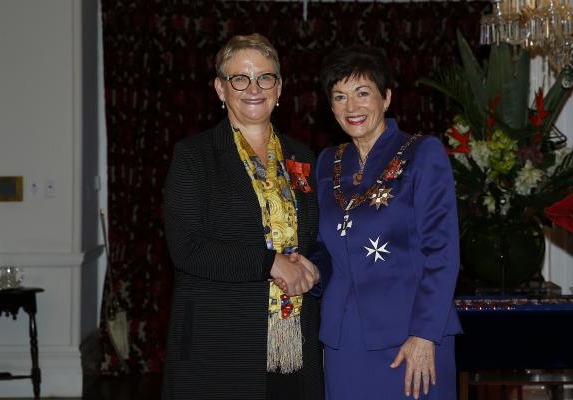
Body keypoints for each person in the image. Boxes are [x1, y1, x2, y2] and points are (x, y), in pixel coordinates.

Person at [162, 34, 323, 400]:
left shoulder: (303, 157)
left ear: (279, 87)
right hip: (221, 344)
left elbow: (319, 238)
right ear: (221, 88)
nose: (254, 88)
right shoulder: (194, 157)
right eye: (240, 78)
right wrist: (271, 263)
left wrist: (316, 268)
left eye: (265, 77)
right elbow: (187, 249)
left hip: (295, 341)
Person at [313, 45, 462, 399]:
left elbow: (442, 251)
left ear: (387, 97)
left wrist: (425, 334)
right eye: (340, 96)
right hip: (343, 340)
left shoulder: (422, 153)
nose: (352, 107)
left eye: (362, 93)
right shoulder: (325, 163)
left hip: (412, 335)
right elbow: (322, 247)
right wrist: (305, 271)